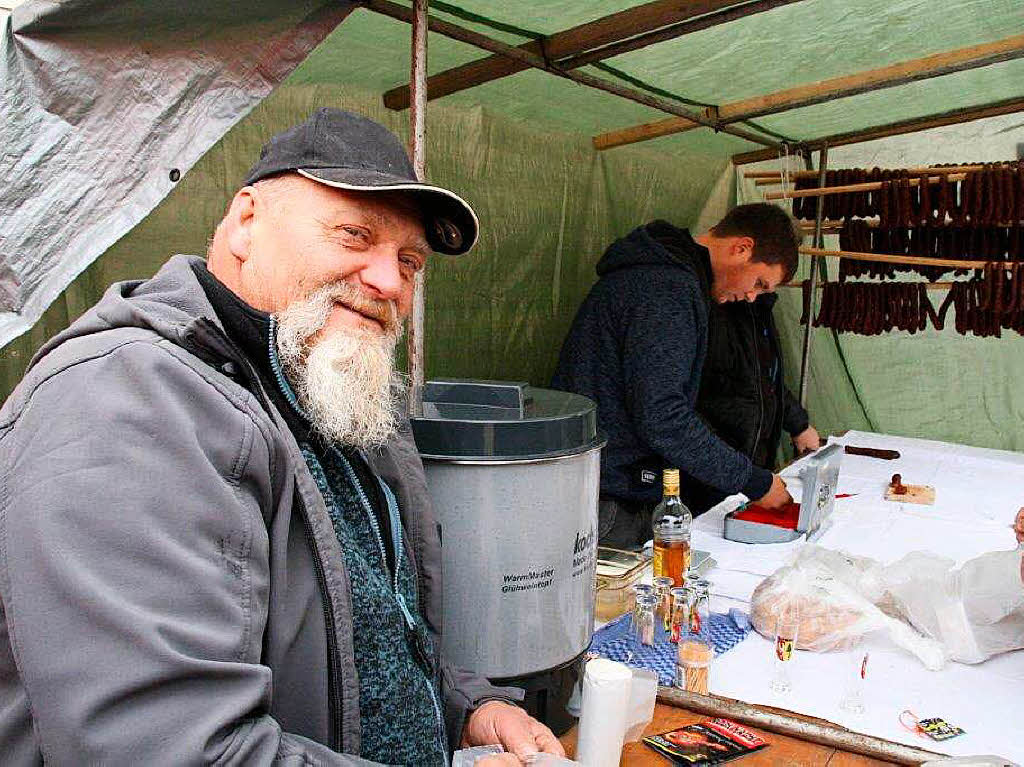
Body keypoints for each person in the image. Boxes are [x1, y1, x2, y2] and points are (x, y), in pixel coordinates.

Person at [0, 109, 563, 765]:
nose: (389, 281)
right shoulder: (125, 401)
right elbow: (165, 747)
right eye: (355, 235)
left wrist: (468, 706)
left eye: (409, 262)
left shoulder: (330, 390)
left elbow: (381, 626)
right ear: (245, 223)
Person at [551, 205, 801, 549]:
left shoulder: (668, 276)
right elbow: (663, 416)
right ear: (741, 248)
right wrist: (752, 481)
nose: (751, 296)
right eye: (758, 282)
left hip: (603, 487)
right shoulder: (667, 289)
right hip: (611, 500)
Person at [691, 289, 821, 512]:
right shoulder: (714, 311)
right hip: (713, 468)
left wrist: (798, 424)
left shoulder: (759, 307)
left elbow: (767, 380)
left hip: (751, 466)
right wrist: (747, 478)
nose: (753, 293)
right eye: (761, 281)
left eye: (769, 285)